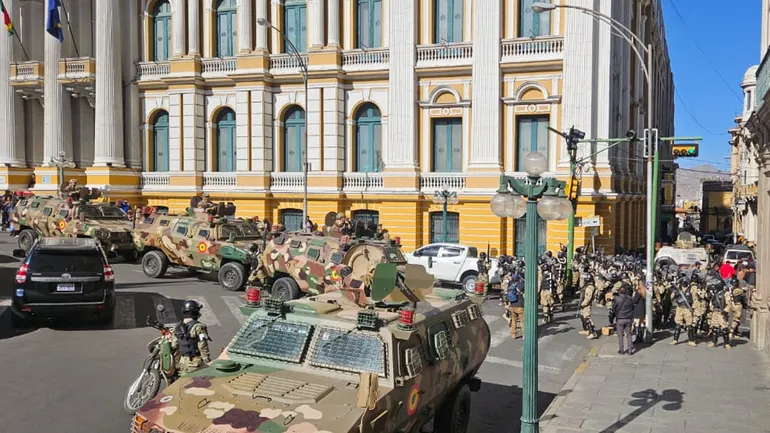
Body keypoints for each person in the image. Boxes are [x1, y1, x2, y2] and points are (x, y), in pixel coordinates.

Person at [172, 300, 211, 375]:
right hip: (195, 363)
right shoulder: (199, 327)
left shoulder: (177, 326)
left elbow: (174, 345)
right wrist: (207, 361)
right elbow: (202, 346)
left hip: (182, 362)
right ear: (194, 312)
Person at [671, 276, 697, 347]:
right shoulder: (678, 289)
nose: (684, 283)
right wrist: (674, 291)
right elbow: (672, 298)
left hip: (687, 308)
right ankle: (675, 340)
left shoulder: (691, 289)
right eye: (683, 282)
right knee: (678, 325)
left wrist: (694, 309)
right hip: (679, 308)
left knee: (689, 325)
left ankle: (691, 340)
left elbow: (694, 299)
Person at [612, 284, 635, 354]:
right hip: (628, 318)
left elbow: (614, 308)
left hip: (620, 319)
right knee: (629, 334)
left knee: (620, 335)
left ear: (619, 291)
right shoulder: (630, 298)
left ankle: (621, 350)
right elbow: (633, 307)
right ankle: (630, 350)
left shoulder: (617, 298)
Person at [578, 270, 598, 340]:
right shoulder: (586, 286)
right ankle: (586, 330)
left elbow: (588, 298)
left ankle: (593, 333)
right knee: (582, 317)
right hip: (583, 304)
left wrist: (582, 304)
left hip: (586, 305)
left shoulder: (590, 287)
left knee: (587, 318)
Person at [507, 274, 524, 339]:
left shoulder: (510, 285)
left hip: (512, 306)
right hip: (520, 305)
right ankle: (524, 334)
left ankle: (513, 334)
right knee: (522, 321)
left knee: (514, 321)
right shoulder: (521, 285)